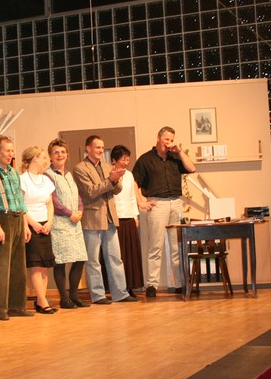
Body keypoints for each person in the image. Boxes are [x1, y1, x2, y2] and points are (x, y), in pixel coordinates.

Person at [133, 126, 196, 297]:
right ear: (158, 138)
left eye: (171, 140)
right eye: (166, 139)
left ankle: (179, 283)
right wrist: (140, 201)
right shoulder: (145, 159)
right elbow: (134, 182)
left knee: (177, 246)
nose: (169, 143)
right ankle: (152, 285)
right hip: (157, 203)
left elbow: (191, 168)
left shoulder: (176, 157)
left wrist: (179, 151)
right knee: (156, 246)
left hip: (176, 203)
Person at [72, 135, 134, 304]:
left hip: (110, 217)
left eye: (102, 147)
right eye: (97, 147)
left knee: (115, 258)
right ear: (88, 148)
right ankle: (98, 295)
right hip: (92, 218)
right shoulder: (80, 168)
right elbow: (90, 192)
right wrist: (110, 180)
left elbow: (116, 190)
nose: (101, 150)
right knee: (93, 260)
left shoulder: (107, 166)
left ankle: (120, 293)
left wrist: (117, 179)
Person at [0, 136, 32, 319]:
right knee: (2, 266)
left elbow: (20, 199)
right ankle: (0, 308)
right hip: (2, 218)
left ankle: (17, 305)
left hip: (18, 217)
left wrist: (25, 224)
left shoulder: (13, 172)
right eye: (7, 150)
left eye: (12, 150)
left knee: (19, 265)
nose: (10, 154)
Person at [45, 138, 89, 309]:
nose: (60, 155)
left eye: (62, 152)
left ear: (67, 154)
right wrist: (70, 213)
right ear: (50, 156)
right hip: (60, 224)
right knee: (61, 261)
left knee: (79, 259)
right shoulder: (48, 175)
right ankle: (64, 298)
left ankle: (74, 295)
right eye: (55, 152)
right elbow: (53, 201)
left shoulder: (69, 175)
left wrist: (80, 211)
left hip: (75, 223)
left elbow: (77, 196)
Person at [20, 145, 58, 314]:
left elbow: (49, 204)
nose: (45, 161)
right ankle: (42, 301)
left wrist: (49, 221)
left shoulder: (46, 180)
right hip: (31, 224)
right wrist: (33, 224)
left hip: (45, 225)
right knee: (36, 265)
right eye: (43, 157)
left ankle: (41, 299)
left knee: (44, 265)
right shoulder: (22, 179)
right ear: (34, 158)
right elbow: (21, 205)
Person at [110, 145, 146, 298]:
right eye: (123, 159)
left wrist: (135, 216)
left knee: (131, 255)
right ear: (114, 160)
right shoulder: (109, 174)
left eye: (127, 159)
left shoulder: (130, 175)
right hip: (115, 219)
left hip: (129, 218)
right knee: (119, 255)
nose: (126, 162)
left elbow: (132, 197)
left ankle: (130, 287)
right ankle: (118, 288)